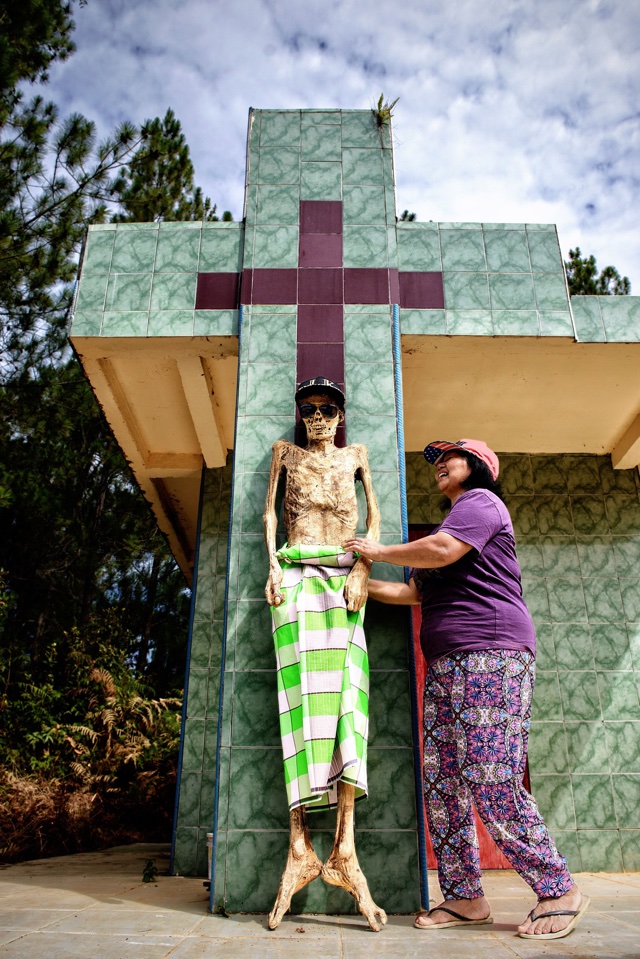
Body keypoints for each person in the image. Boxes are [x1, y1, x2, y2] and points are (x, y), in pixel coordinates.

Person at [343, 438, 589, 941]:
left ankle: (557, 887)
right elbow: (411, 591)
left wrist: (378, 549)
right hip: (446, 665)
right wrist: (348, 580)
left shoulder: (482, 505)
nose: (439, 465)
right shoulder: (447, 527)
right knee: (444, 782)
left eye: (449, 457)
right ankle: (464, 897)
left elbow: (442, 551)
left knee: (490, 771)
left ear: (478, 466)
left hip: (492, 655)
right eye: (435, 460)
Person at [263, 376, 386, 932]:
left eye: (327, 408)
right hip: (292, 580)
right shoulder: (285, 456)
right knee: (298, 705)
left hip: (343, 582)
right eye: (308, 408)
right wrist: (271, 566)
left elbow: (374, 518)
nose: (316, 416)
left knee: (344, 707)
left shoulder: (355, 457)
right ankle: (298, 848)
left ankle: (345, 848)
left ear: (339, 416)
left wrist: (363, 567)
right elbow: (270, 514)